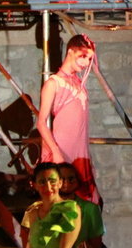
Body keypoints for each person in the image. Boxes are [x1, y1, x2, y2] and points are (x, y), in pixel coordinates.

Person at [38, 35, 99, 203]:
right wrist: (56, 152)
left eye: (89, 58)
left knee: (89, 201)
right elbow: (41, 122)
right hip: (63, 152)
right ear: (71, 51)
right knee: (64, 201)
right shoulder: (54, 83)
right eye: (83, 56)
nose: (86, 63)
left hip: (80, 152)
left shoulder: (78, 83)